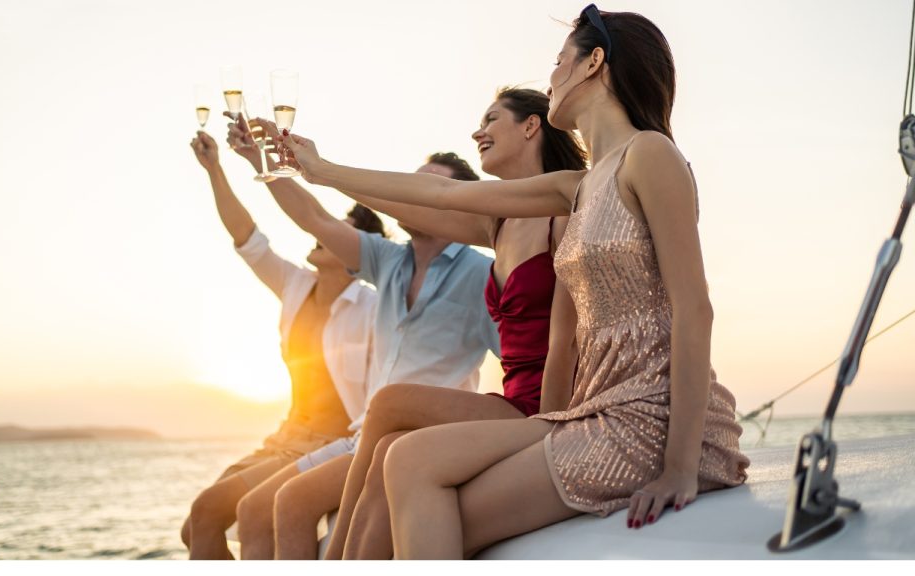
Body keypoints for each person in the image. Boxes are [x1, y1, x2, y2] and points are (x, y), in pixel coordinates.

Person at [280, 4, 750, 559]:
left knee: (418, 479)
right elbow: (445, 196)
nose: (550, 76)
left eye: (559, 61)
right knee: (405, 457)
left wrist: (678, 468)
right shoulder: (577, 186)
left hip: (649, 418)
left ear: (594, 62)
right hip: (590, 412)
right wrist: (321, 169)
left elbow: (695, 310)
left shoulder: (649, 155)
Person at [317, 87, 588, 560]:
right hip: (512, 398)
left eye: (491, 118)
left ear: (531, 126)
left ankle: (335, 562)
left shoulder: (564, 209)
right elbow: (415, 201)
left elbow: (567, 338)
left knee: (389, 404)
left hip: (544, 407)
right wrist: (320, 172)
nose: (477, 131)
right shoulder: (498, 222)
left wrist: (550, 425)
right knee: (388, 450)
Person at [225, 114, 501, 560]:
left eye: (428, 189)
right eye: (408, 186)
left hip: (419, 439)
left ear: (457, 205)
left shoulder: (482, 274)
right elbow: (314, 217)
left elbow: (520, 359)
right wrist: (258, 159)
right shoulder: (386, 259)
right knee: (257, 508)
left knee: (291, 502)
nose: (408, 196)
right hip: (363, 434)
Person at [180, 130, 385, 560]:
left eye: (338, 231)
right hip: (285, 436)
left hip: (331, 442)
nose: (320, 233)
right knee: (193, 527)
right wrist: (215, 168)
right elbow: (247, 237)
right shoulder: (296, 286)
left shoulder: (371, 307)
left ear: (354, 253)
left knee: (207, 511)